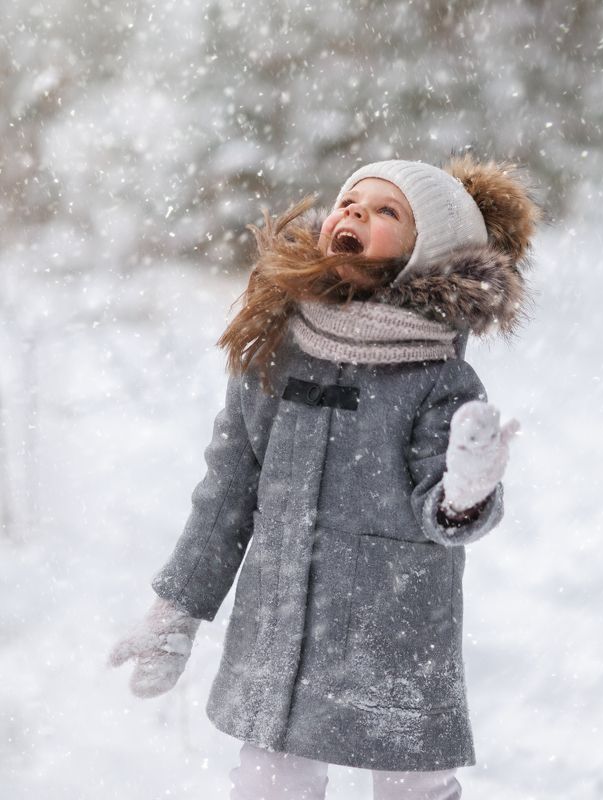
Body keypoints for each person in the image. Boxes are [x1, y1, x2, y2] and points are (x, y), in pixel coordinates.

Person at [109, 154, 541, 799]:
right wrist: (177, 610)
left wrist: (467, 489)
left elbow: (444, 514)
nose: (356, 213)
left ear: (425, 251)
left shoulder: (439, 379)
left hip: (394, 631)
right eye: (349, 202)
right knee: (270, 785)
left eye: (387, 211)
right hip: (281, 624)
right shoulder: (276, 351)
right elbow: (226, 494)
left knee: (413, 788)